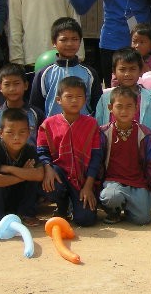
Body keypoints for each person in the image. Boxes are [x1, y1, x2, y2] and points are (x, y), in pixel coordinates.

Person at [36, 77, 103, 227]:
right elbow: (42, 151)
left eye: (79, 97)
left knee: (86, 220)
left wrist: (88, 186)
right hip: (58, 174)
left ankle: (75, 205)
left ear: (85, 99)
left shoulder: (91, 124)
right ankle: (62, 206)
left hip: (83, 178)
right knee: (52, 183)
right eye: (69, 96)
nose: (74, 101)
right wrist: (48, 169)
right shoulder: (48, 124)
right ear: (59, 100)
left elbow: (96, 156)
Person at [98, 86, 151, 225]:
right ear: (110, 107)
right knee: (111, 197)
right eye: (119, 106)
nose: (124, 111)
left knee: (143, 219)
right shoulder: (104, 133)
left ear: (136, 108)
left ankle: (129, 207)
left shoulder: (144, 133)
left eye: (129, 106)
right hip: (113, 181)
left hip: (138, 182)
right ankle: (114, 210)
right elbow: (97, 162)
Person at [95, 48, 151, 157]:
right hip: (110, 155)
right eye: (122, 69)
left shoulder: (150, 99)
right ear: (114, 71)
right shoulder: (106, 97)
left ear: (140, 70)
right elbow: (97, 128)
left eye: (132, 69)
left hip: (140, 155)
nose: (127, 74)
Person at [30, 17, 102, 119]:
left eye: (74, 39)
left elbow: (98, 105)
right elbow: (36, 107)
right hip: (53, 131)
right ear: (54, 42)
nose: (69, 44)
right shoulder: (44, 74)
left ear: (80, 41)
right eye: (64, 40)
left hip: (84, 129)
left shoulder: (89, 73)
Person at [0, 107, 45, 226]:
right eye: (10, 133)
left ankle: (27, 214)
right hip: (2, 195)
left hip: (20, 195)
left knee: (32, 178)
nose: (16, 137)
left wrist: (9, 169)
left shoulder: (29, 150)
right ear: (0, 133)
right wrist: (24, 174)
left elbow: (39, 175)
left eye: (22, 132)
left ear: (29, 132)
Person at [0, 63, 42, 146]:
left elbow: (42, 143)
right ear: (0, 87)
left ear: (25, 85)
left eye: (16, 83)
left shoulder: (36, 114)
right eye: (7, 84)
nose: (12, 89)